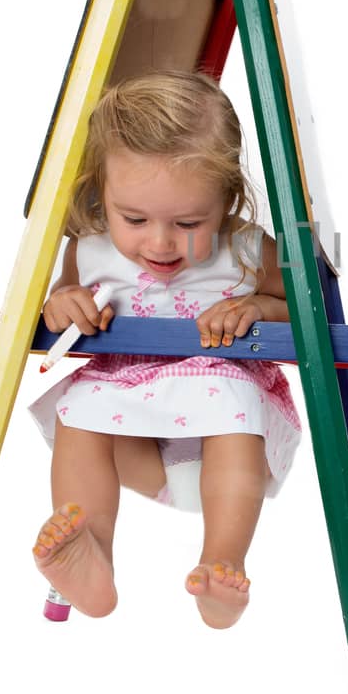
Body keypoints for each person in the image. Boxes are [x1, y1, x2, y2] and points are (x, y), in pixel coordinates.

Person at [26, 70, 303, 629]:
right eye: (134, 219)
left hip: (223, 446)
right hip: (136, 444)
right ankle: (92, 549)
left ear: (227, 200)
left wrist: (259, 309)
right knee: (80, 409)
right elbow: (61, 300)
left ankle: (222, 564)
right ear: (102, 194)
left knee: (227, 395)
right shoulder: (91, 248)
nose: (158, 242)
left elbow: (300, 309)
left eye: (187, 222)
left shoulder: (248, 249)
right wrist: (64, 304)